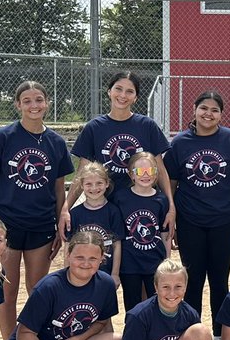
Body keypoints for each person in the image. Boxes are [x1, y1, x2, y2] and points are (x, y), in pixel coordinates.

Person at [0, 80, 74, 340]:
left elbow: (58, 190)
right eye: (28, 100)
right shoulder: (3, 137)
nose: (34, 105)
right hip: (6, 227)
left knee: (37, 290)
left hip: (41, 225)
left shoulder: (55, 142)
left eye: (39, 99)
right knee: (6, 293)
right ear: (18, 104)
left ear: (47, 103)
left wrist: (58, 226)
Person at [164, 90, 230, 340]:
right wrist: (173, 220)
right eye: (203, 108)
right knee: (193, 281)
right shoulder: (180, 143)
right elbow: (172, 185)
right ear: (194, 109)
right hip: (191, 221)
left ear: (221, 114)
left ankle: (218, 337)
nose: (208, 114)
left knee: (219, 281)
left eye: (214, 110)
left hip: (223, 221)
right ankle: (193, 334)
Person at [62, 70, 175, 235]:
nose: (123, 95)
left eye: (130, 91)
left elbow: (160, 169)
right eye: (118, 89)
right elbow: (82, 173)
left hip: (140, 206)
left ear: (136, 97)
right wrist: (66, 208)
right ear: (109, 91)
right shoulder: (94, 127)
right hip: (106, 205)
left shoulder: (147, 126)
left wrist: (171, 206)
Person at [116, 151, 172, 306]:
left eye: (151, 171)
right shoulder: (121, 198)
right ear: (131, 175)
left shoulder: (161, 199)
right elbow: (118, 235)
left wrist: (167, 260)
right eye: (140, 171)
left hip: (154, 261)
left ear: (156, 174)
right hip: (129, 263)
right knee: (132, 304)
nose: (146, 175)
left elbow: (164, 233)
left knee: (156, 302)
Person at [66, 161, 123, 286]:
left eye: (99, 183)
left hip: (105, 273)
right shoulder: (75, 213)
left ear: (107, 183)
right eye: (88, 184)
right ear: (81, 185)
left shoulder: (113, 212)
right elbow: (68, 246)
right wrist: (67, 271)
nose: (94, 188)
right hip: (80, 271)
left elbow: (117, 244)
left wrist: (115, 273)